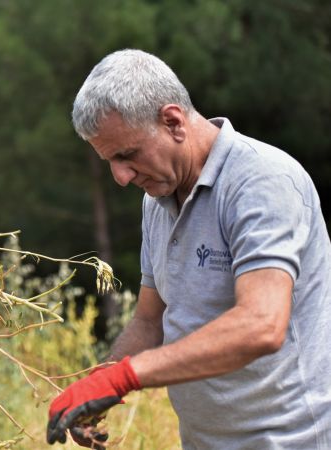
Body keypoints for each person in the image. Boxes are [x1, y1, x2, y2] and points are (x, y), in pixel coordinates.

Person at [46, 49, 331, 449]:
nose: (121, 178)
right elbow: (150, 321)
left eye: (126, 155)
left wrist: (125, 377)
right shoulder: (157, 201)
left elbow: (262, 325)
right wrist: (97, 386)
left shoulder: (263, 181)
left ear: (173, 121)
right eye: (109, 161)